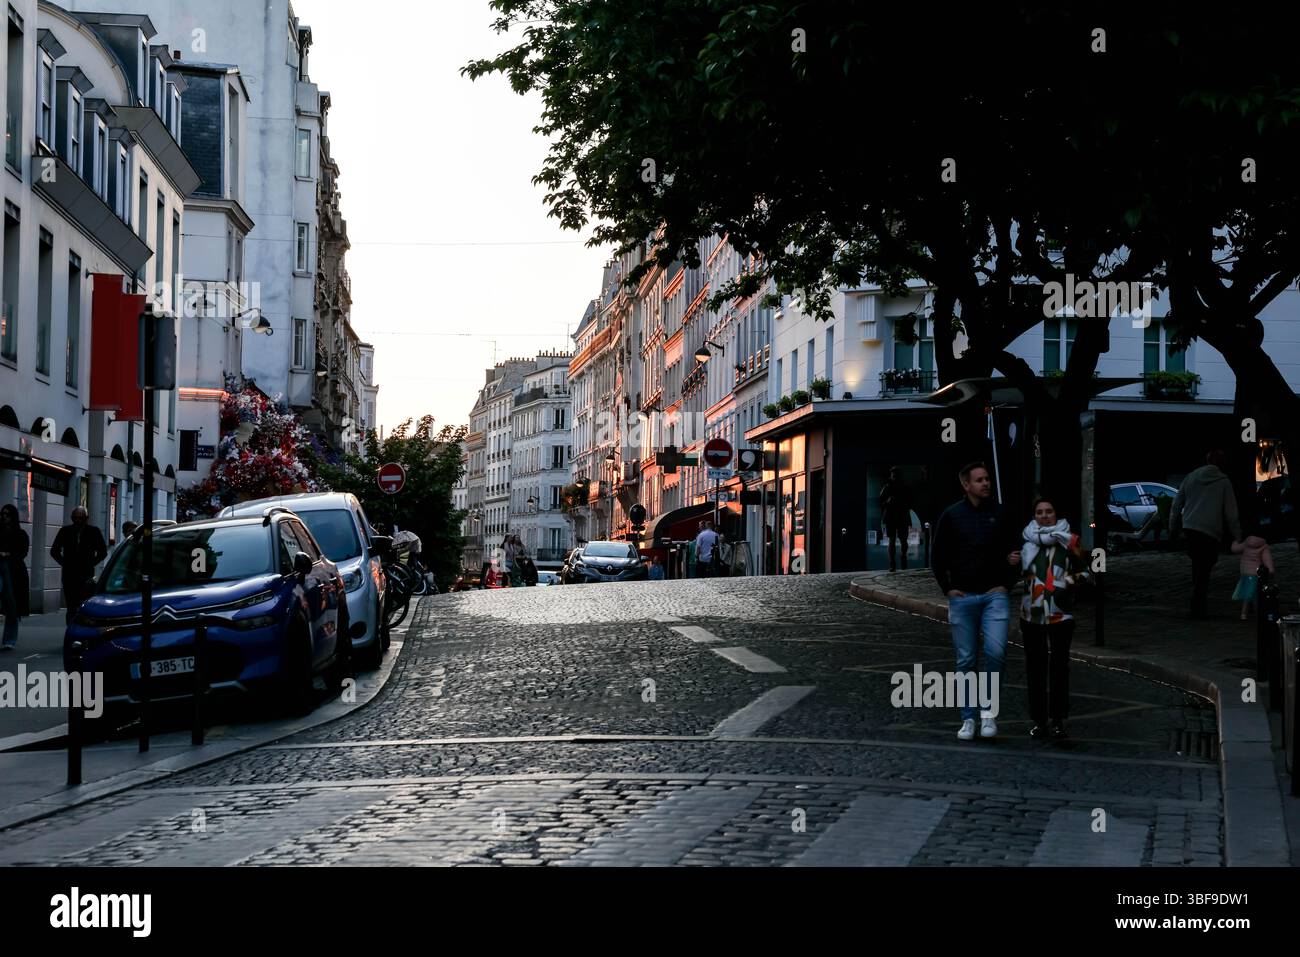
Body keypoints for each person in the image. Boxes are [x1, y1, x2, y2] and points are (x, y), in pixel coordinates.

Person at [931, 462, 1021, 741]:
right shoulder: (952, 515)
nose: (986, 484)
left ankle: (988, 713)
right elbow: (937, 556)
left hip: (995, 595)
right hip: (963, 597)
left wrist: (1007, 583)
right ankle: (968, 718)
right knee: (966, 659)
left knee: (996, 653)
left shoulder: (1001, 513)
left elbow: (1015, 550)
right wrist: (948, 588)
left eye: (987, 479)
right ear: (966, 485)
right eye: (980, 480)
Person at [1019, 497, 1090, 741]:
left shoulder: (1071, 541)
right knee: (1034, 669)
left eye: (1049, 511)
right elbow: (1016, 572)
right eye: (1039, 512)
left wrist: (1067, 584)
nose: (1044, 516)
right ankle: (1039, 722)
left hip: (1061, 614)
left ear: (1056, 515)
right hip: (1031, 614)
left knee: (1059, 669)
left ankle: (1058, 721)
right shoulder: (1027, 540)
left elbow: (1087, 572)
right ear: (1034, 516)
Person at [1169, 449, 1241, 619]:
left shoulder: (1191, 477)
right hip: (1210, 530)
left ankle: (1197, 603)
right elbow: (1231, 512)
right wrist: (1237, 535)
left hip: (1191, 527)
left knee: (1198, 565)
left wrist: (1173, 527)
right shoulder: (1223, 481)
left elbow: (1176, 504)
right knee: (1204, 567)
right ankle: (1198, 602)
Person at [50, 506, 107, 623]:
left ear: (86, 519)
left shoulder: (93, 531)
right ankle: (71, 628)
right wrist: (65, 563)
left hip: (86, 574)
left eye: (81, 518)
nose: (78, 521)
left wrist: (91, 563)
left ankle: (81, 626)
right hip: (69, 574)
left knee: (84, 603)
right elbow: (54, 551)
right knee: (71, 605)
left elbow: (102, 552)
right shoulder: (65, 531)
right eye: (75, 518)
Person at [0, 504, 30, 651]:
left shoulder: (20, 534)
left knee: (12, 605)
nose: (4, 517)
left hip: (13, 570)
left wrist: (8, 554)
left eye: (7, 514)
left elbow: (22, 552)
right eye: (3, 514)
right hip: (2, 567)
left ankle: (9, 640)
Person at [1231, 525, 1275, 621]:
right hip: (1256, 573)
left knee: (1247, 594)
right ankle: (1256, 613)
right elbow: (1267, 560)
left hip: (1245, 572)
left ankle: (1244, 614)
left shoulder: (1247, 543)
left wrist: (1235, 542)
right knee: (1255, 595)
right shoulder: (1264, 546)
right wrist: (1271, 570)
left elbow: (1235, 549)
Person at [880, 467, 914, 571]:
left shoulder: (904, 487)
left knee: (903, 540)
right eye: (893, 475)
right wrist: (887, 502)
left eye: (896, 475)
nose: (895, 477)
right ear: (891, 476)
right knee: (892, 540)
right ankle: (893, 563)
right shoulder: (887, 487)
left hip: (902, 515)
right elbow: (881, 503)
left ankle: (902, 559)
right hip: (891, 516)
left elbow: (911, 501)